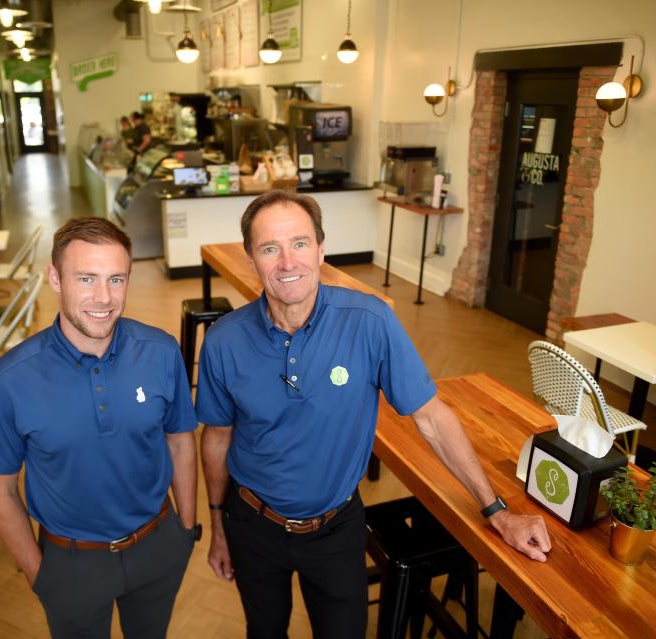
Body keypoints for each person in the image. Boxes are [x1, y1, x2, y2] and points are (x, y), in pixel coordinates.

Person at [196, 190, 551, 638]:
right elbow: (217, 435)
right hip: (252, 524)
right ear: (251, 259)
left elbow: (433, 419)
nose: (288, 262)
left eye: (300, 243)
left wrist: (496, 510)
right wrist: (218, 524)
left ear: (322, 249)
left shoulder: (369, 321)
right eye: (270, 248)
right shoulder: (224, 340)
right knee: (263, 632)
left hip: (336, 526)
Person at [0, 218, 199, 639]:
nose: (104, 297)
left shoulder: (162, 351)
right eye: (86, 278)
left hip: (158, 545)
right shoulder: (9, 380)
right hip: (70, 563)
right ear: (55, 278)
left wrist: (186, 529)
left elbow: (180, 441)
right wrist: (38, 573)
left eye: (116, 279)